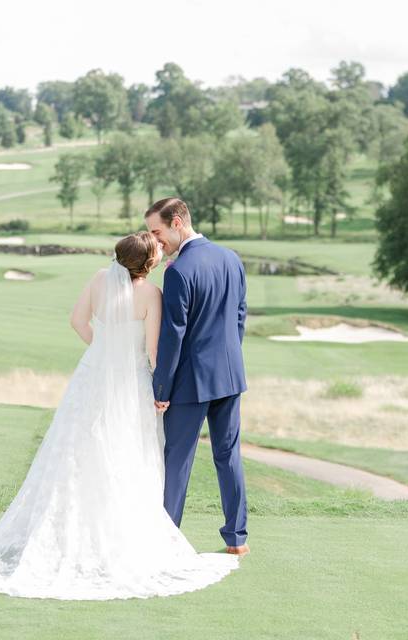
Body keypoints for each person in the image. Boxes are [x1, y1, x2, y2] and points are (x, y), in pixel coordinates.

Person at [0, 231, 239, 600]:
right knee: (128, 452)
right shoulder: (151, 294)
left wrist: (105, 350)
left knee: (77, 449)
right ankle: (121, 536)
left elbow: (77, 321)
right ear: (149, 264)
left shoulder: (98, 280)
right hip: (130, 383)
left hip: (92, 374)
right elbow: (154, 352)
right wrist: (154, 383)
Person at [144, 197, 250, 556]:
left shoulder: (177, 270)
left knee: (177, 459)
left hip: (191, 382)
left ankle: (165, 539)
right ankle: (237, 539)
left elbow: (174, 334)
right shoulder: (231, 259)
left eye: (156, 232)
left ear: (177, 222)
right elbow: (239, 316)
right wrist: (229, 359)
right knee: (228, 454)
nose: (155, 242)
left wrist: (162, 386)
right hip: (230, 375)